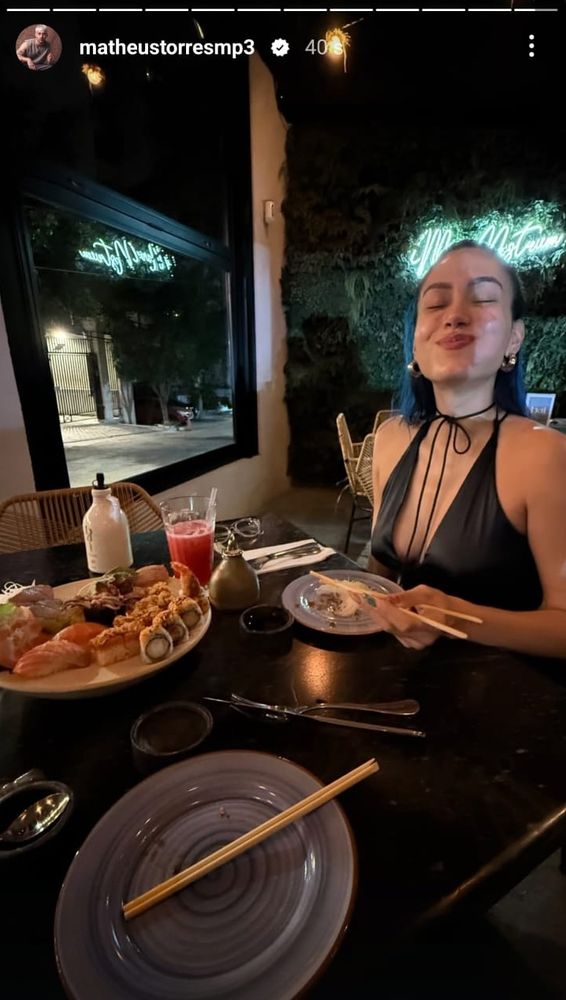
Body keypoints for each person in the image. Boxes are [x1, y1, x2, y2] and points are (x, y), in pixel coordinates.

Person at [365, 240, 566, 658]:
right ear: (415, 344)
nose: (454, 315)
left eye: (484, 298)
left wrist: (457, 619)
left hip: (505, 690)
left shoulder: (544, 455)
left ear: (514, 338)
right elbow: (380, 576)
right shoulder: (389, 438)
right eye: (436, 304)